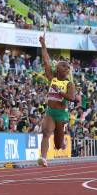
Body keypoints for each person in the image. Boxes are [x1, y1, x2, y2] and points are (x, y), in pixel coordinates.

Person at [38, 35, 75, 167]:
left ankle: (62, 141)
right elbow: (46, 60)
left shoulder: (69, 84)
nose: (66, 70)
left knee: (58, 145)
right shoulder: (52, 78)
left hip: (62, 114)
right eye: (64, 68)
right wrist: (43, 45)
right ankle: (43, 158)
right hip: (50, 112)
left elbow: (72, 98)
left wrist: (59, 92)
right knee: (46, 133)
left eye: (67, 69)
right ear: (58, 70)